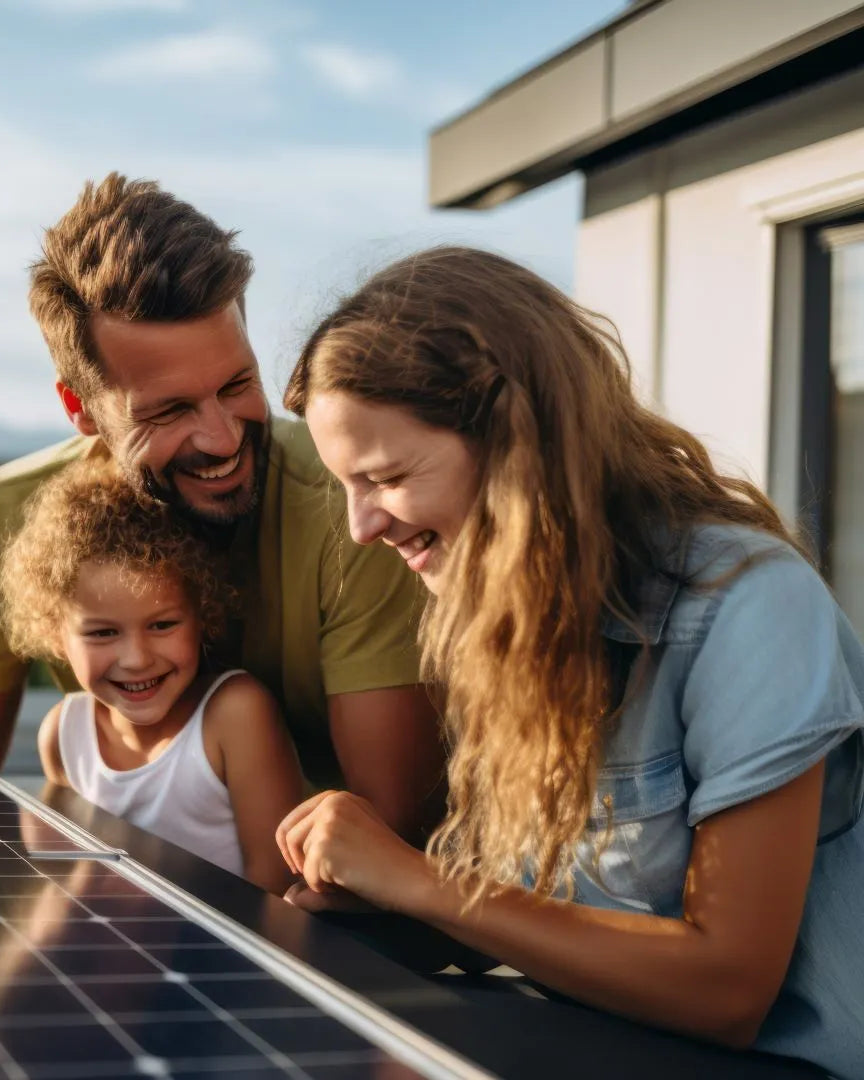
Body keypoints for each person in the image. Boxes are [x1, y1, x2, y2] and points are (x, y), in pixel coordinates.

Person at [275, 246, 864, 1078]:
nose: (363, 525)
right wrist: (384, 908)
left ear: (520, 447)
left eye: (387, 477)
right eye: (345, 485)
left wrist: (419, 882)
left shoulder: (749, 607)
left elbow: (727, 992)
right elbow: (533, 911)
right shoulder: (511, 621)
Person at [0, 174, 444, 844]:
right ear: (80, 409)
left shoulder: (351, 513)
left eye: (238, 384)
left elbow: (393, 825)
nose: (221, 438)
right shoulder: (1, 523)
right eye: (169, 410)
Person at [0, 457, 302, 893]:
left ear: (203, 615)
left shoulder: (235, 716)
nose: (136, 659)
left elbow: (280, 890)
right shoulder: (64, 736)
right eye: (103, 633)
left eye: (162, 625)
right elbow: (65, 882)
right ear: (56, 635)